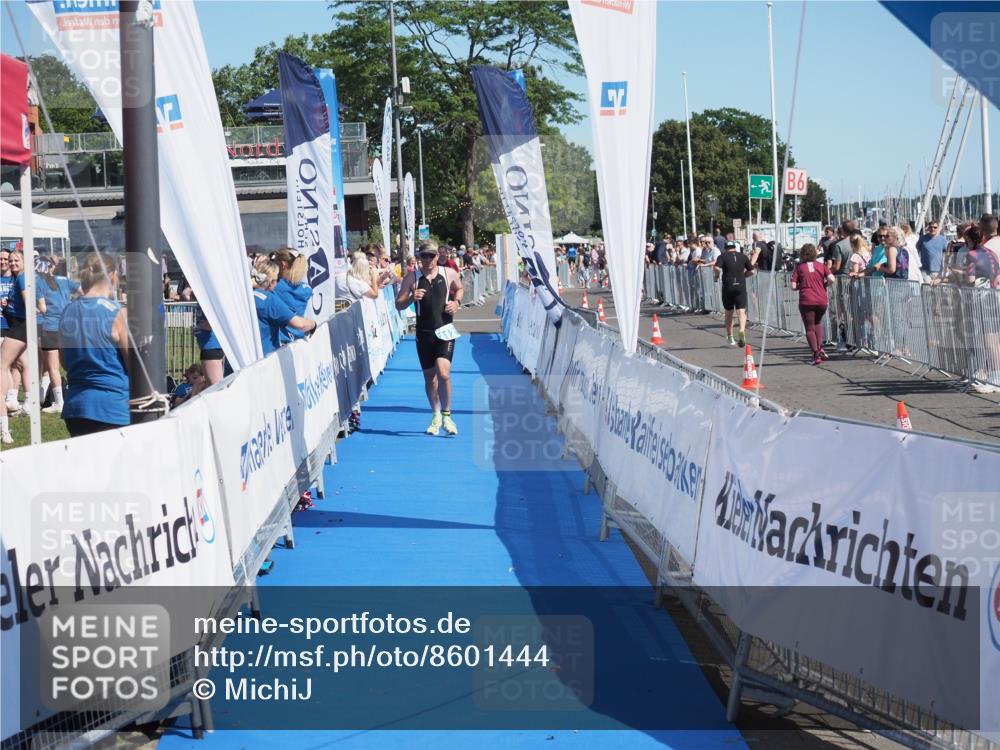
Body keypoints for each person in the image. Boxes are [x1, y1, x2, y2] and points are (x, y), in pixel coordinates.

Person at [57, 252, 130, 437]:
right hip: (113, 407)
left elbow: (64, 362)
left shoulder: (66, 311)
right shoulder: (118, 313)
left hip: (76, 407)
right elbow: (134, 365)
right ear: (113, 276)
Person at [395, 242, 463, 436]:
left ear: (437, 256)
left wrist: (457, 302)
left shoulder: (448, 272)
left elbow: (460, 288)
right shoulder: (412, 277)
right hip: (424, 334)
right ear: (419, 257)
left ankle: (447, 415)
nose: (427, 260)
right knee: (430, 378)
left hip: (445, 331)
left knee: (444, 373)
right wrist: (411, 298)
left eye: (431, 256)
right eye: (423, 256)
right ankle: (436, 415)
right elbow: (398, 304)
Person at [1, 250, 43, 442]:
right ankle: (25, 402)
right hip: (21, 325)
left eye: (16, 260)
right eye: (10, 261)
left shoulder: (22, 278)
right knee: (21, 362)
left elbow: (30, 303)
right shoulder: (23, 277)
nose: (12, 263)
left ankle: (7, 403)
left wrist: (33, 312)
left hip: (21, 325)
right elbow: (43, 307)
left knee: (2, 365)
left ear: (24, 261)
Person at [37, 257, 81, 414]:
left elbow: (42, 308)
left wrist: (33, 308)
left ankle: (59, 402)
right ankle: (74, 392)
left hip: (50, 327)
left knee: (52, 367)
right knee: (67, 364)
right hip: (66, 326)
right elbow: (82, 291)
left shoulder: (38, 283)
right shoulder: (64, 280)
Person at [251, 259, 317, 356]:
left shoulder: (242, 296)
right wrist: (313, 324)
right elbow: (299, 324)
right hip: (263, 360)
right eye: (278, 280)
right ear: (271, 282)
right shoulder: (268, 300)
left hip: (236, 362)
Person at [790, 244, 834, 365]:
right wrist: (824, 285)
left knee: (809, 327)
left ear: (803, 254)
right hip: (821, 299)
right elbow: (832, 279)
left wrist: (801, 286)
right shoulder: (822, 266)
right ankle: (820, 348)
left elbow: (793, 286)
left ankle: (815, 354)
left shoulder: (799, 268)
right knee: (818, 323)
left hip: (807, 300)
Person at [718, 240, 754, 347]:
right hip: (740, 286)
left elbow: (716, 267)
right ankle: (742, 330)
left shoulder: (722, 256)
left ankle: (730, 336)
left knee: (729, 312)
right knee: (741, 311)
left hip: (728, 286)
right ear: (735, 247)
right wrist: (744, 276)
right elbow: (752, 271)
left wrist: (716, 276)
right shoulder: (743, 256)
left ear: (725, 248)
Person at [275, 254, 313, 342]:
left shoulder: (275, 286)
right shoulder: (307, 290)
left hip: (279, 342)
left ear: (282, 265)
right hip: (299, 340)